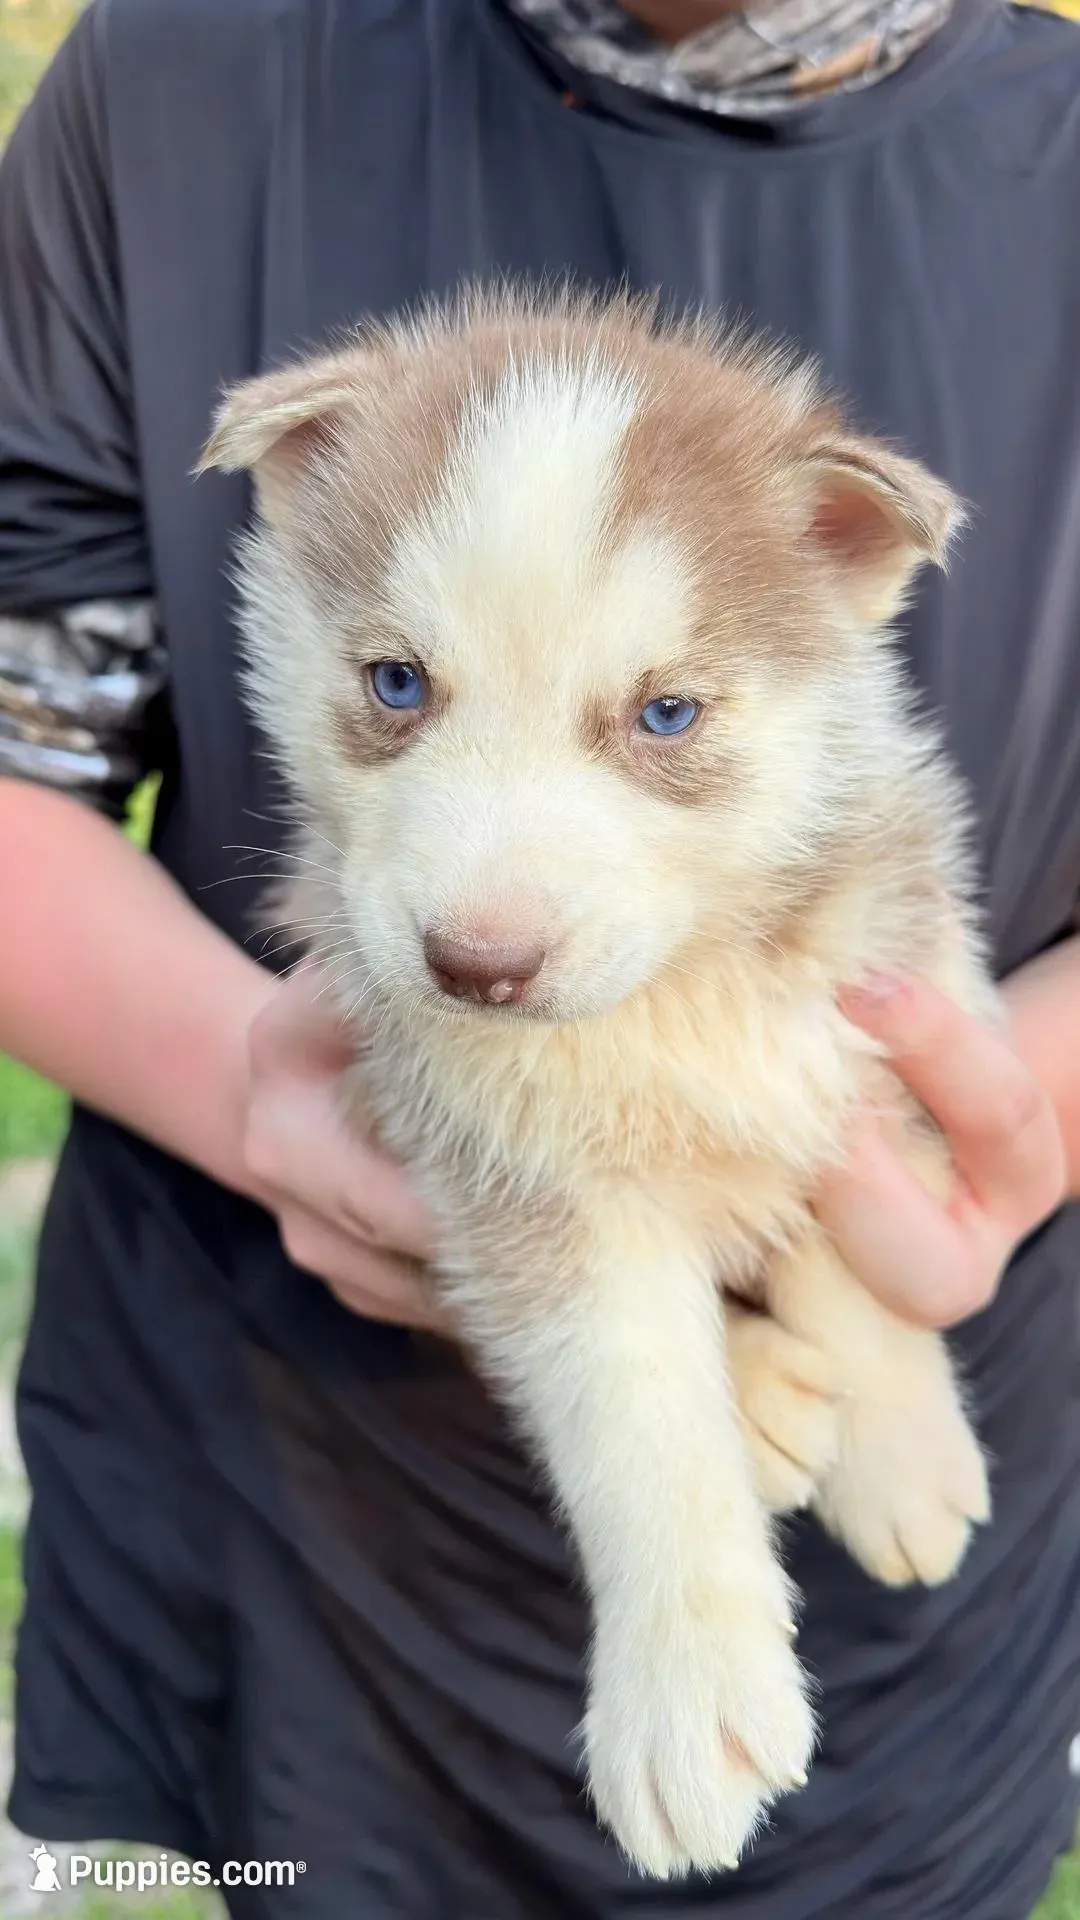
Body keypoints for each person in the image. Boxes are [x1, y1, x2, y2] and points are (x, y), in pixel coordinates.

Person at [0, 0, 1078, 1913]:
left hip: (934, 1660)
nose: (481, 911)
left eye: (663, 715)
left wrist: (937, 1187)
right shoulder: (181, 77)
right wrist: (250, 1092)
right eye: (396, 688)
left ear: (855, 557)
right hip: (290, 1530)